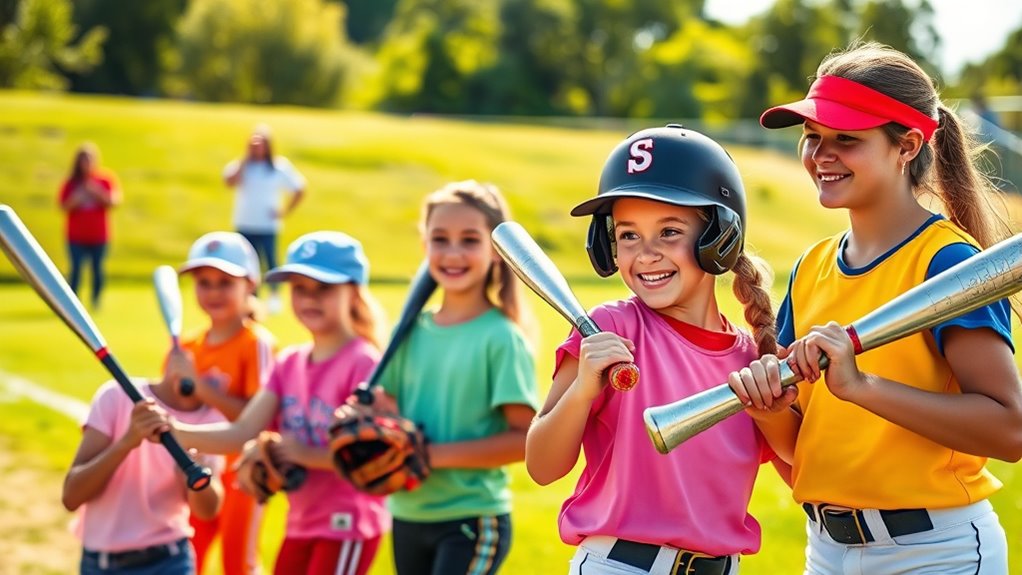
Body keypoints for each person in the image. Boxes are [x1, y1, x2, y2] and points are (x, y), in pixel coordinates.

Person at [732, 41, 1022, 574]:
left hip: (935, 552)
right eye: (813, 137)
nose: (822, 154)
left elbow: (1009, 429)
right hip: (827, 550)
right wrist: (770, 412)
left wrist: (863, 387)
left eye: (847, 139)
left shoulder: (946, 261)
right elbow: (805, 449)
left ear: (908, 145)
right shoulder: (813, 266)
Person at [526, 125, 783, 575]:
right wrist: (584, 387)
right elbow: (542, 466)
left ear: (718, 239)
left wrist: (769, 408)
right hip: (622, 566)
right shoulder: (608, 330)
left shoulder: (752, 357)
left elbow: (803, 468)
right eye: (627, 235)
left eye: (668, 231)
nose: (645, 254)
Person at [167, 231, 389, 575]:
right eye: (300, 288)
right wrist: (172, 432)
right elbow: (241, 432)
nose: (309, 299)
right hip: (300, 521)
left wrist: (305, 454)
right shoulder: (289, 363)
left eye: (324, 288)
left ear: (354, 293)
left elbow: (373, 455)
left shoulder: (364, 363)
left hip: (348, 523)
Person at [375, 180, 539, 575]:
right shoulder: (411, 330)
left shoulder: (500, 338)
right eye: (440, 239)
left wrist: (429, 455)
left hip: (472, 516)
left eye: (469, 240)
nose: (452, 253)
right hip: (408, 510)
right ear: (424, 246)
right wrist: (372, 426)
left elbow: (524, 439)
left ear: (496, 253)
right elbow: (388, 405)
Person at [173, 231, 276, 575]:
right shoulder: (187, 346)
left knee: (238, 564)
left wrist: (197, 385)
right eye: (204, 282)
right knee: (189, 558)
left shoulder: (255, 343)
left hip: (241, 474)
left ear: (249, 285)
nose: (213, 292)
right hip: (193, 470)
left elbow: (253, 420)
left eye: (224, 282)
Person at [62, 361, 225, 574]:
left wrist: (192, 479)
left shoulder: (212, 421)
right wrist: (127, 442)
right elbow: (71, 496)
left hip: (170, 560)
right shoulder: (116, 396)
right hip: (103, 564)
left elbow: (208, 511)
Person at [223, 125, 307, 314]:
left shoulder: (278, 167)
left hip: (267, 224)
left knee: (270, 261)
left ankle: (275, 296)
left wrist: (285, 211)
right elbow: (229, 181)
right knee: (247, 263)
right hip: (245, 222)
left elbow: (300, 189)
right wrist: (245, 158)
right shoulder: (243, 166)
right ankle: (251, 298)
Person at [58, 143, 121, 310]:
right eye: (83, 159)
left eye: (89, 159)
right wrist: (79, 196)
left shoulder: (105, 179)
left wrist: (95, 191)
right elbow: (63, 206)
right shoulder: (71, 183)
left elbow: (114, 202)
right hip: (76, 236)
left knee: (97, 270)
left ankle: (96, 301)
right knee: (76, 270)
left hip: (99, 236)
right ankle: (72, 302)